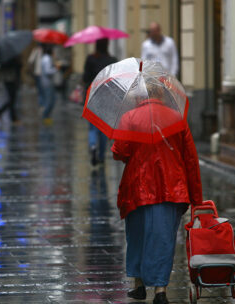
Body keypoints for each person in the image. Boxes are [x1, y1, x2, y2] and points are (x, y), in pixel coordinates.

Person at [111, 84, 202, 304]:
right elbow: (190, 158)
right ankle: (160, 290)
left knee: (137, 235)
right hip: (171, 186)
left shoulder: (130, 117)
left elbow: (120, 152)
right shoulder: (177, 118)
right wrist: (196, 198)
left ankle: (139, 284)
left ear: (139, 96)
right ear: (162, 94)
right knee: (163, 239)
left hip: (137, 187)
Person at [83, 38, 117, 166]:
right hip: (107, 96)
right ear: (107, 45)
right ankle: (102, 155)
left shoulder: (90, 59)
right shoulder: (112, 60)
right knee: (103, 127)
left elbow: (85, 77)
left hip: (92, 95)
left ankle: (92, 146)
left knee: (92, 126)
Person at [0, 56, 22, 124]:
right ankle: (11, 117)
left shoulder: (12, 56)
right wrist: (16, 63)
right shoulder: (8, 58)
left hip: (12, 79)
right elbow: (5, 66)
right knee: (12, 99)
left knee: (12, 99)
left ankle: (4, 114)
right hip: (9, 79)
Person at [40, 44, 57, 125]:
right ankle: (45, 116)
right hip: (47, 83)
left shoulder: (46, 58)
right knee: (50, 101)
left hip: (47, 82)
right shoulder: (47, 59)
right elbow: (48, 71)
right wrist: (56, 69)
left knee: (51, 100)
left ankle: (47, 116)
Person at [27, 44, 44, 109]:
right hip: (39, 73)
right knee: (41, 90)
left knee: (40, 90)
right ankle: (41, 104)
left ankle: (42, 104)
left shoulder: (36, 50)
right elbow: (31, 61)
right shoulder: (38, 51)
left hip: (38, 73)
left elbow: (30, 61)